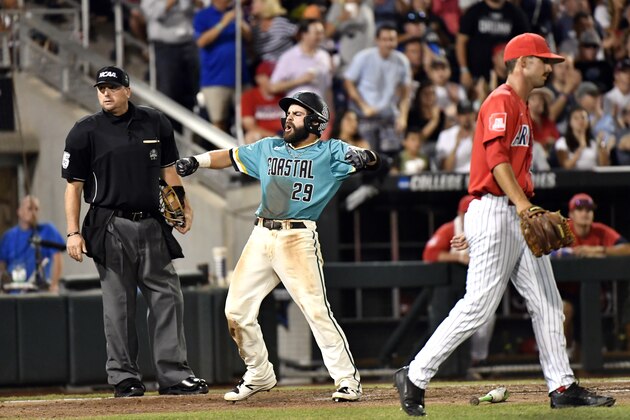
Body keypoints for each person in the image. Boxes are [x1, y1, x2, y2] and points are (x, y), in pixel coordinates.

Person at [394, 33, 615, 416]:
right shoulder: (501, 100)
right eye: (545, 61)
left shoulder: (522, 105)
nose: (550, 68)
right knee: (478, 306)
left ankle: (561, 385)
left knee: (548, 304)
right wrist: (524, 205)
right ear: (522, 62)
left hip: (512, 211)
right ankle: (414, 375)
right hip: (498, 210)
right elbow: (496, 160)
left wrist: (522, 207)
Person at [176, 91, 380, 402]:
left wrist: (365, 157)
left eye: (297, 114)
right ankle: (259, 372)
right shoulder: (268, 148)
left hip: (298, 237)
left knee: (315, 310)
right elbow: (229, 156)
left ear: (315, 121)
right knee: (236, 310)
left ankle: (347, 380)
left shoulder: (329, 151)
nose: (288, 117)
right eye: (289, 113)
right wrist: (196, 161)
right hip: (260, 235)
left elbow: (370, 157)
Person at [62, 66, 208, 398]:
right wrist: (73, 232)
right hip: (109, 223)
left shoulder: (155, 122)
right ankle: (125, 377)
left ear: (128, 90)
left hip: (153, 223)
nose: (105, 93)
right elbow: (73, 188)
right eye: (101, 88)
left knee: (168, 297)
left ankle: (173, 376)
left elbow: (169, 170)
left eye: (112, 87)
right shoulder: (85, 131)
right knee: (119, 305)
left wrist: (183, 206)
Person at [421, 195, 496, 374]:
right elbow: (429, 255)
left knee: (487, 319)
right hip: (451, 288)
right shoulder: (450, 229)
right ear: (460, 213)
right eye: (466, 213)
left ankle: (478, 360)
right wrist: (460, 257)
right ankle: (436, 368)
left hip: (478, 283)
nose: (470, 217)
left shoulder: (488, 229)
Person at [552, 193, 630, 356]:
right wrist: (567, 253)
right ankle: (561, 355)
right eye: (579, 209)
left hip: (591, 292)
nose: (585, 213)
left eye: (589, 209)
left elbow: (627, 248)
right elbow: (544, 252)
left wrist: (599, 250)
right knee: (566, 309)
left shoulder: (599, 230)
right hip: (563, 290)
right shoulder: (563, 229)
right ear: (571, 214)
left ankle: (585, 352)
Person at [344, 23, 412, 157]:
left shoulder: (402, 60)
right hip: (365, 115)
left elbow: (406, 91)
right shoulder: (363, 57)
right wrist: (363, 106)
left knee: (390, 157)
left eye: (392, 39)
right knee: (366, 157)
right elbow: (348, 82)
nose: (388, 43)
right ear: (377, 40)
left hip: (388, 115)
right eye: (385, 39)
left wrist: (403, 116)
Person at [194, 0, 251, 133]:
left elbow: (249, 37)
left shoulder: (237, 13)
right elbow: (202, 41)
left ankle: (245, 152)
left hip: (241, 78)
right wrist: (223, 22)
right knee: (219, 122)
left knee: (246, 119)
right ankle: (221, 153)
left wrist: (240, 21)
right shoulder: (203, 15)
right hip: (215, 79)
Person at [140, 0, 201, 122]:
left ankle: (188, 130)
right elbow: (152, 13)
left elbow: (201, 10)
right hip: (165, 46)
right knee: (168, 92)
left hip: (189, 43)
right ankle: (169, 131)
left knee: (191, 91)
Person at [0, 195, 64, 292]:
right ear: (19, 211)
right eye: (29, 208)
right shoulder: (9, 236)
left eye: (36, 209)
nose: (33, 212)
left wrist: (54, 285)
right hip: (14, 293)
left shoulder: (48, 230)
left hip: (39, 293)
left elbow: (58, 260)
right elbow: (2, 264)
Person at [241, 61, 285, 144]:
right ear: (258, 79)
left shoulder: (286, 94)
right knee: (251, 136)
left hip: (285, 135)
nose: (275, 80)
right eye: (271, 77)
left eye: (277, 77)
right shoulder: (249, 96)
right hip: (264, 135)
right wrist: (274, 136)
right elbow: (249, 125)